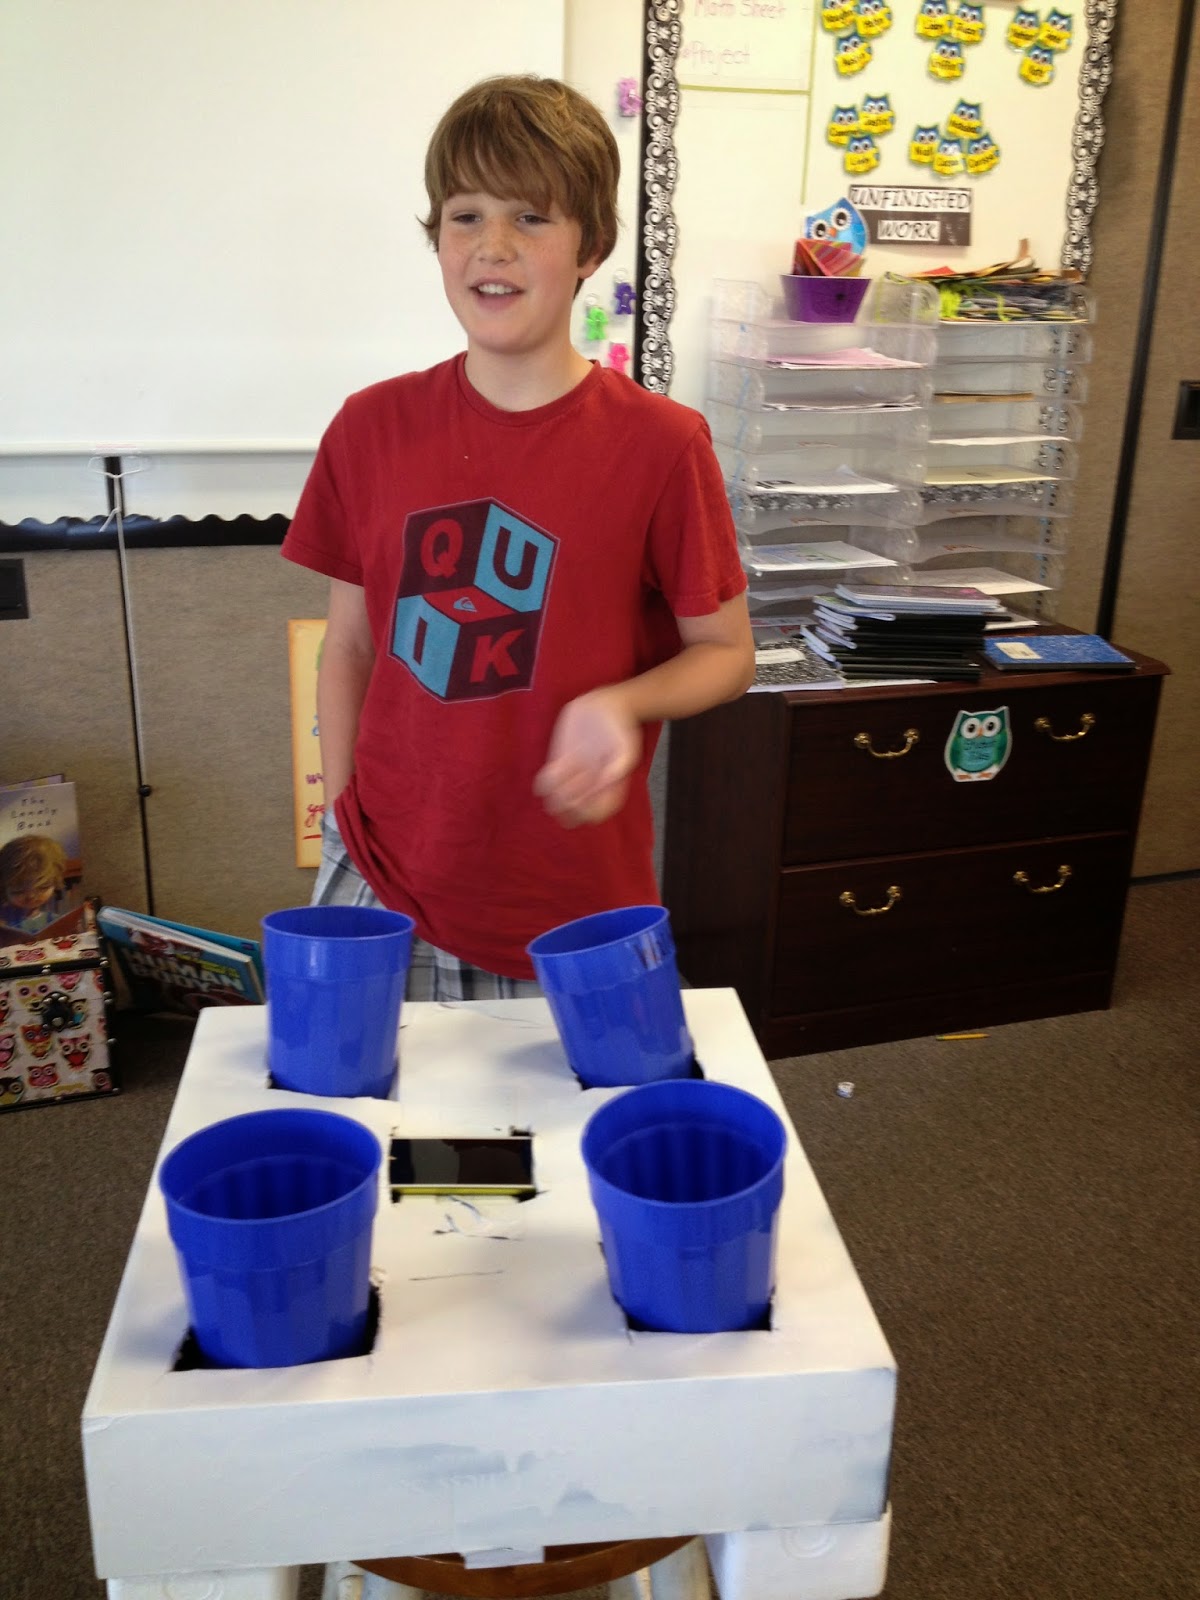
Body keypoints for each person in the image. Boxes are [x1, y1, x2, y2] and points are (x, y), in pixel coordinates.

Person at [282, 74, 753, 1000]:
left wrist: (621, 704)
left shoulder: (662, 444)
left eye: (530, 217)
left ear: (592, 246)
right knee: (354, 1086)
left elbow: (727, 654)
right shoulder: (370, 427)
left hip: (565, 889)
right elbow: (351, 647)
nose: (492, 247)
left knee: (563, 1099)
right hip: (382, 865)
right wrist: (342, 812)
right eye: (466, 216)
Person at [0, 833, 69, 935]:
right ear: (4, 888)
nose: (31, 896)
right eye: (18, 891)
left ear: (55, 882)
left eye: (42, 887)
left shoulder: (53, 919)